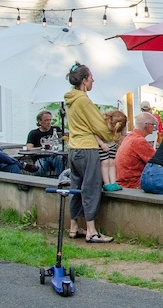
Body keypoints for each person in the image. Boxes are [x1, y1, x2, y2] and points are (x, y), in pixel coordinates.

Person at [63, 62, 115, 243]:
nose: (93, 80)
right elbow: (98, 125)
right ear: (84, 80)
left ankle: (74, 226)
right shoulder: (83, 100)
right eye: (91, 77)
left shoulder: (70, 99)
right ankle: (91, 231)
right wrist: (112, 135)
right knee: (91, 188)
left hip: (74, 149)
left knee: (76, 188)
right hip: (87, 149)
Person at [114, 112, 157, 188]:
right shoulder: (139, 141)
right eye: (153, 125)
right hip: (132, 184)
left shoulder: (129, 137)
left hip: (122, 181)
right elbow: (157, 161)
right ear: (147, 125)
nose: (154, 128)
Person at [25, 110, 64, 177]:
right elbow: (29, 148)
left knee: (59, 159)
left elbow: (64, 140)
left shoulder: (56, 130)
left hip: (55, 156)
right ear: (39, 122)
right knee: (39, 168)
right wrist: (42, 147)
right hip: (41, 158)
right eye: (46, 120)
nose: (48, 122)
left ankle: (60, 179)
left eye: (50, 120)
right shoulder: (34, 133)